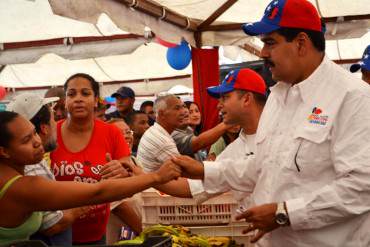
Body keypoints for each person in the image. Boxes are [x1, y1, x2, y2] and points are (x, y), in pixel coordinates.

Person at [172, 0, 370, 246]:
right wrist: (204, 171)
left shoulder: (353, 97)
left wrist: (285, 213)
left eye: (270, 43)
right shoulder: (278, 96)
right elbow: (263, 164)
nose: (263, 52)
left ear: (300, 43)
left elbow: (361, 187)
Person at [0, 111, 181, 246]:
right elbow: (97, 192)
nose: (37, 141)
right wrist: (157, 176)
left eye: (34, 133)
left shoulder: (18, 174)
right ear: (4, 151)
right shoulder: (22, 187)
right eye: (26, 140)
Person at [50, 73, 131, 245]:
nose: (78, 99)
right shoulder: (50, 134)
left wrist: (121, 171)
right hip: (55, 233)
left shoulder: (112, 133)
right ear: (65, 101)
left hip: (96, 235)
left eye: (85, 93)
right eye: (71, 94)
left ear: (96, 100)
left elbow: (129, 172)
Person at [6, 93, 87, 246]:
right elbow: (52, 224)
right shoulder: (32, 165)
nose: (56, 124)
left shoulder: (29, 159)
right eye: (53, 119)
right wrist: (87, 201)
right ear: (44, 128)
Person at [137, 94, 185, 172]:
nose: (183, 112)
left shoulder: (155, 131)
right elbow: (185, 172)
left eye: (183, 107)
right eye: (177, 108)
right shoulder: (160, 139)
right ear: (161, 114)